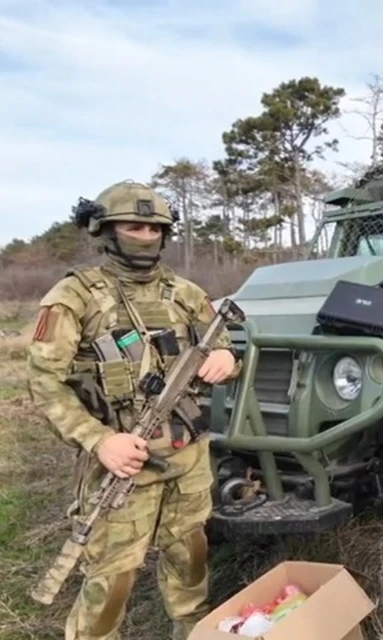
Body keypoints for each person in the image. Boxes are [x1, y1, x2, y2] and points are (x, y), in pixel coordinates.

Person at [26, 181, 242, 640]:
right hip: (122, 461)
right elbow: (45, 383)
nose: (144, 235)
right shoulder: (75, 297)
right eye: (132, 225)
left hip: (187, 456)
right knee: (113, 575)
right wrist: (100, 440)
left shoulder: (185, 293)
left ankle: (194, 630)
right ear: (105, 230)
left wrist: (228, 359)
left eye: (154, 227)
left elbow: (221, 346)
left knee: (191, 554)